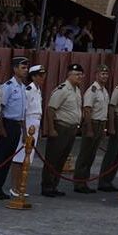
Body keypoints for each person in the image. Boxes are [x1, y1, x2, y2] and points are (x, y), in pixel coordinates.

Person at [39, 64, 83, 198]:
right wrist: (51, 128)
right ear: (69, 75)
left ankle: (54, 185)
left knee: (62, 158)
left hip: (71, 128)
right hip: (61, 126)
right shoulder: (62, 89)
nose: (80, 77)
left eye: (81, 74)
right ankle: (47, 186)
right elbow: (51, 109)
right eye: (77, 74)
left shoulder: (77, 90)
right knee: (53, 157)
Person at [0, 56, 28, 200]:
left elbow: (23, 112)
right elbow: (0, 108)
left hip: (16, 125)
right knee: (0, 157)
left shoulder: (23, 87)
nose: (25, 70)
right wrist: (1, 128)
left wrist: (24, 131)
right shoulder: (8, 86)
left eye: (26, 68)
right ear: (15, 69)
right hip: (7, 124)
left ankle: (0, 188)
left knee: (8, 159)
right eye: (22, 67)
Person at [72, 65, 111, 194]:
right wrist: (89, 128)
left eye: (106, 74)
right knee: (85, 154)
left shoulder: (104, 91)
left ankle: (85, 180)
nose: (104, 76)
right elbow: (87, 110)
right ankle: (79, 182)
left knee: (92, 155)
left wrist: (104, 129)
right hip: (92, 123)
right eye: (102, 74)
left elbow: (104, 112)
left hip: (100, 124)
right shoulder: (92, 90)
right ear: (96, 75)